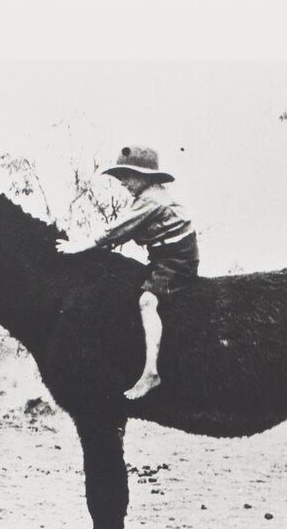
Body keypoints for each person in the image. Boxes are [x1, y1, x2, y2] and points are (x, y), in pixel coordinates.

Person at [57, 145, 198, 399]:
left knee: (147, 301)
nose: (123, 182)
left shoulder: (153, 200)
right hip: (160, 257)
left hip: (176, 260)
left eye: (127, 176)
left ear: (145, 176)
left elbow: (116, 230)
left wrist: (79, 247)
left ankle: (151, 373)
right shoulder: (146, 198)